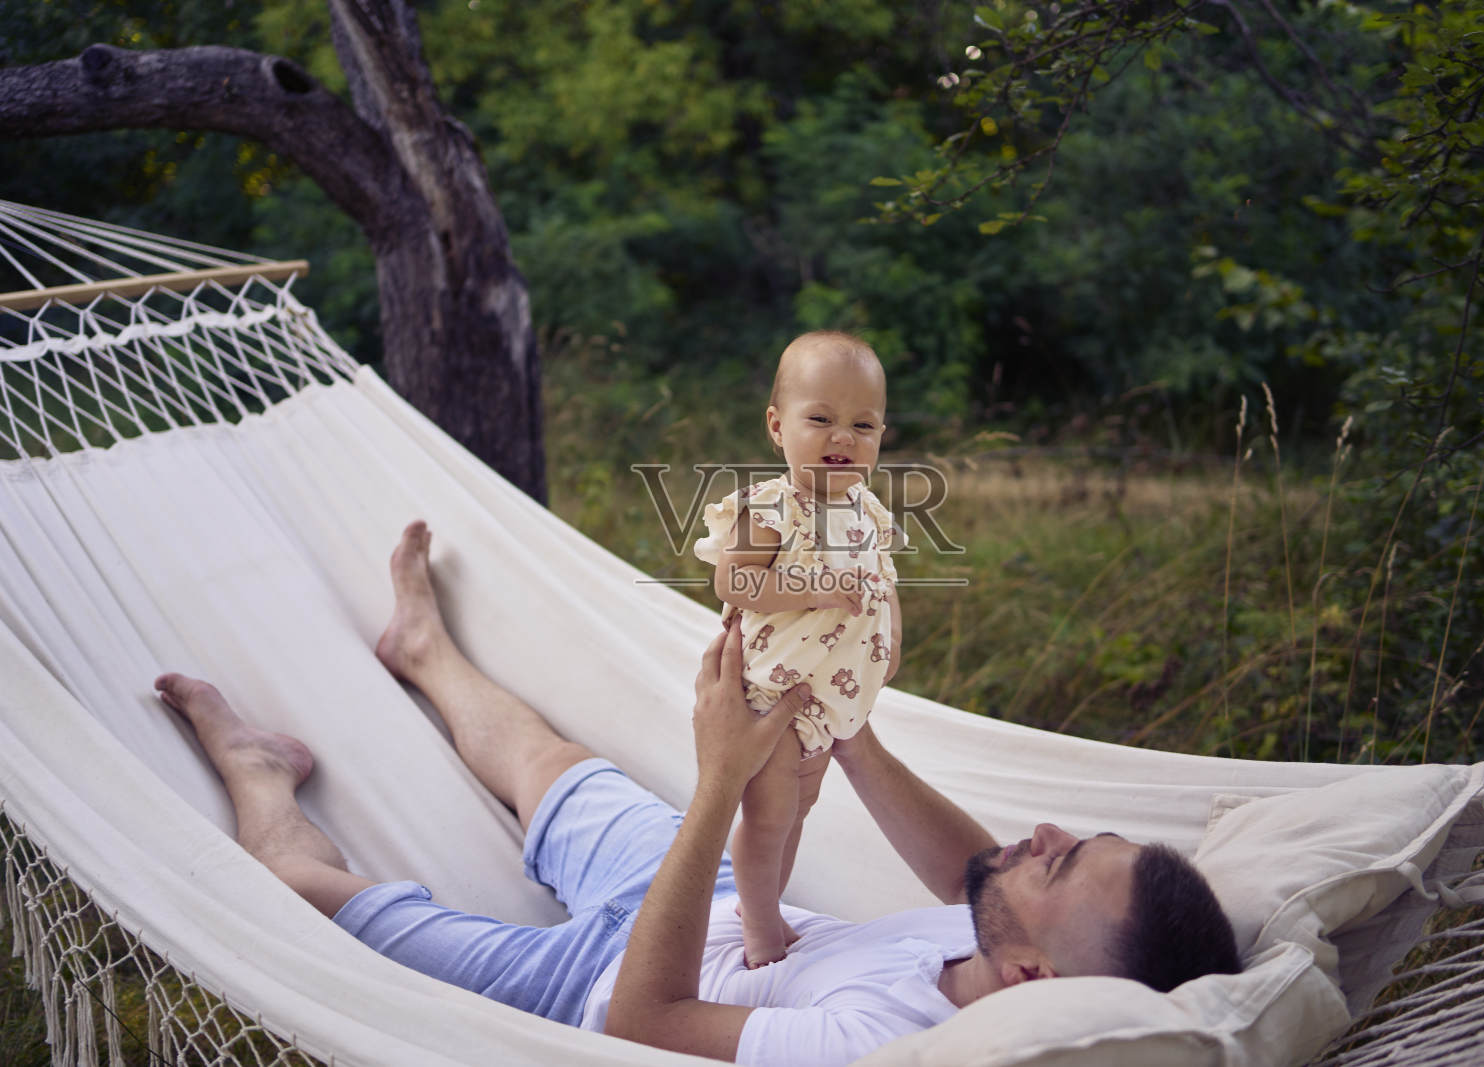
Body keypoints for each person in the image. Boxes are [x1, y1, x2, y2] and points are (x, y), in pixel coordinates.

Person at [154, 521, 1240, 1067]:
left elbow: (646, 1014)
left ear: (1033, 972)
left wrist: (721, 774)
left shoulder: (878, 1041)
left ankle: (254, 771)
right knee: (548, 760)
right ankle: (425, 650)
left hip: (584, 986)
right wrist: (849, 736)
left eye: (1055, 861)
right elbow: (970, 864)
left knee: (298, 887)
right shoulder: (997, 960)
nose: (1038, 835)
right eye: (1073, 833)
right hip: (708, 897)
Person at [692, 329, 902, 966]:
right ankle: (756, 924)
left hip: (826, 706)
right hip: (768, 693)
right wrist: (816, 582)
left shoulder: (869, 513)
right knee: (770, 815)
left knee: (799, 813)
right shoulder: (770, 506)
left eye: (862, 425)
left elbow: (883, 585)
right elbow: (735, 580)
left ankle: (768, 908)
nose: (843, 438)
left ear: (880, 437)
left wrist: (891, 640)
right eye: (821, 419)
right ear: (778, 428)